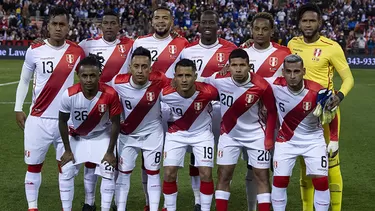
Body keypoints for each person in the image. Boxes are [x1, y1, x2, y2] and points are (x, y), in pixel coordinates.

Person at [14, 7, 85, 211]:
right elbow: (24, 80)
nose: (57, 28)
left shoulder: (77, 51)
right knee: (34, 165)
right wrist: (18, 108)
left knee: (67, 168)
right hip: (38, 119)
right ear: (48, 26)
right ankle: (33, 207)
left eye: (62, 24)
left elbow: (88, 80)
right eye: (54, 24)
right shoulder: (35, 50)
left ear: (68, 27)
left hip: (67, 120)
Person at [167, 10, 237, 210]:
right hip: (195, 109)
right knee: (194, 155)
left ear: (218, 25)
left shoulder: (231, 49)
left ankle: (221, 195)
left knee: (224, 156)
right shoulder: (188, 51)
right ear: (198, 25)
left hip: (222, 108)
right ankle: (199, 199)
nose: (207, 25)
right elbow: (176, 79)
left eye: (211, 22)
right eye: (204, 22)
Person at [288, 3, 354, 211]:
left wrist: (339, 96)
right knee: (305, 164)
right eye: (304, 21)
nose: (308, 24)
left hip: (324, 114)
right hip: (298, 114)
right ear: (299, 23)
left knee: (331, 163)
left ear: (320, 23)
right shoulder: (292, 44)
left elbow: (348, 79)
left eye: (312, 20)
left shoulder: (331, 47)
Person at [128, 6, 189, 211]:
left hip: (173, 107)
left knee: (172, 157)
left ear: (172, 21)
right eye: (157, 18)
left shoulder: (182, 43)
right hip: (146, 107)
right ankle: (149, 203)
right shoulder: (140, 42)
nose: (161, 21)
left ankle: (171, 204)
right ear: (151, 21)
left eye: (165, 18)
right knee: (148, 159)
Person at [204, 49, 277, 211]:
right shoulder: (218, 79)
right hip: (229, 135)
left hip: (256, 135)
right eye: (234, 65)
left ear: (249, 66)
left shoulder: (262, 85)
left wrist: (269, 138)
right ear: (228, 66)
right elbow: (199, 84)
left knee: (262, 177)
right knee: (224, 175)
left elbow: (272, 112)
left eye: (242, 65)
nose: (238, 69)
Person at [77, 10, 133, 211]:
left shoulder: (130, 45)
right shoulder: (87, 45)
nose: (109, 26)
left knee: (114, 157)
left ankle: (116, 202)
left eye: (113, 23)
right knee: (91, 158)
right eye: (106, 23)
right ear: (100, 26)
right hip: (92, 108)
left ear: (119, 26)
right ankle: (89, 202)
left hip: (119, 108)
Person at [239, 12, 291, 211]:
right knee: (253, 169)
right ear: (251, 30)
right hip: (251, 120)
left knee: (278, 168)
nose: (260, 33)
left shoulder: (284, 53)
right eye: (256, 29)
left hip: (279, 119)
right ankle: (253, 208)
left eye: (265, 29)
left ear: (272, 31)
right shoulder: (242, 53)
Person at [58, 54, 121, 211]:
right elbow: (62, 121)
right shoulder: (69, 94)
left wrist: (110, 151)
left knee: (108, 169)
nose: (88, 80)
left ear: (99, 74)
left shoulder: (111, 94)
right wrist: (67, 150)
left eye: (92, 75)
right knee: (65, 170)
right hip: (78, 137)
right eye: (84, 76)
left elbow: (115, 123)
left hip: (101, 136)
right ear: (78, 75)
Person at [111, 47, 170, 211]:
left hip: (153, 134)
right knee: (124, 174)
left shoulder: (160, 79)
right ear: (130, 67)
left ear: (150, 68)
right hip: (127, 136)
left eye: (144, 66)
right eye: (136, 66)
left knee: (153, 173)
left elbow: (179, 87)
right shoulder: (118, 82)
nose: (140, 70)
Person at [269, 54, 330, 211]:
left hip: (313, 141)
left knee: (321, 181)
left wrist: (334, 139)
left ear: (304, 71)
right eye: (288, 72)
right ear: (283, 72)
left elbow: (333, 115)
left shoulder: (318, 91)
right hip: (286, 140)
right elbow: (251, 79)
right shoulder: (275, 85)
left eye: (296, 71)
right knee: (280, 180)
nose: (292, 76)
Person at [161, 59, 218, 211]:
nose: (184, 79)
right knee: (169, 173)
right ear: (174, 77)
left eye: (188, 75)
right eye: (180, 76)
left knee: (206, 173)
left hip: (202, 134)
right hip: (176, 134)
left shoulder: (209, 91)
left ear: (195, 76)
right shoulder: (165, 94)